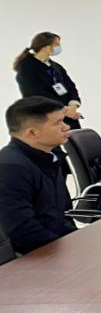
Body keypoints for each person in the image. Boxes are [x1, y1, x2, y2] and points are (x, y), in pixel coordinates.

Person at [0, 97, 75, 254]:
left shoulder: (49, 156)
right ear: (32, 133)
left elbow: (59, 217)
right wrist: (69, 250)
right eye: (58, 123)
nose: (66, 127)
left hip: (56, 244)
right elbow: (23, 233)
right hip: (36, 257)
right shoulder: (11, 168)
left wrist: (79, 239)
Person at [12, 32, 83, 129]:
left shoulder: (57, 67)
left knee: (76, 137)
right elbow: (33, 93)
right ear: (45, 47)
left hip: (68, 116)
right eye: (57, 45)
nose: (59, 47)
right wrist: (63, 109)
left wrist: (73, 105)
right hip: (46, 116)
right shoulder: (26, 67)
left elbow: (71, 87)